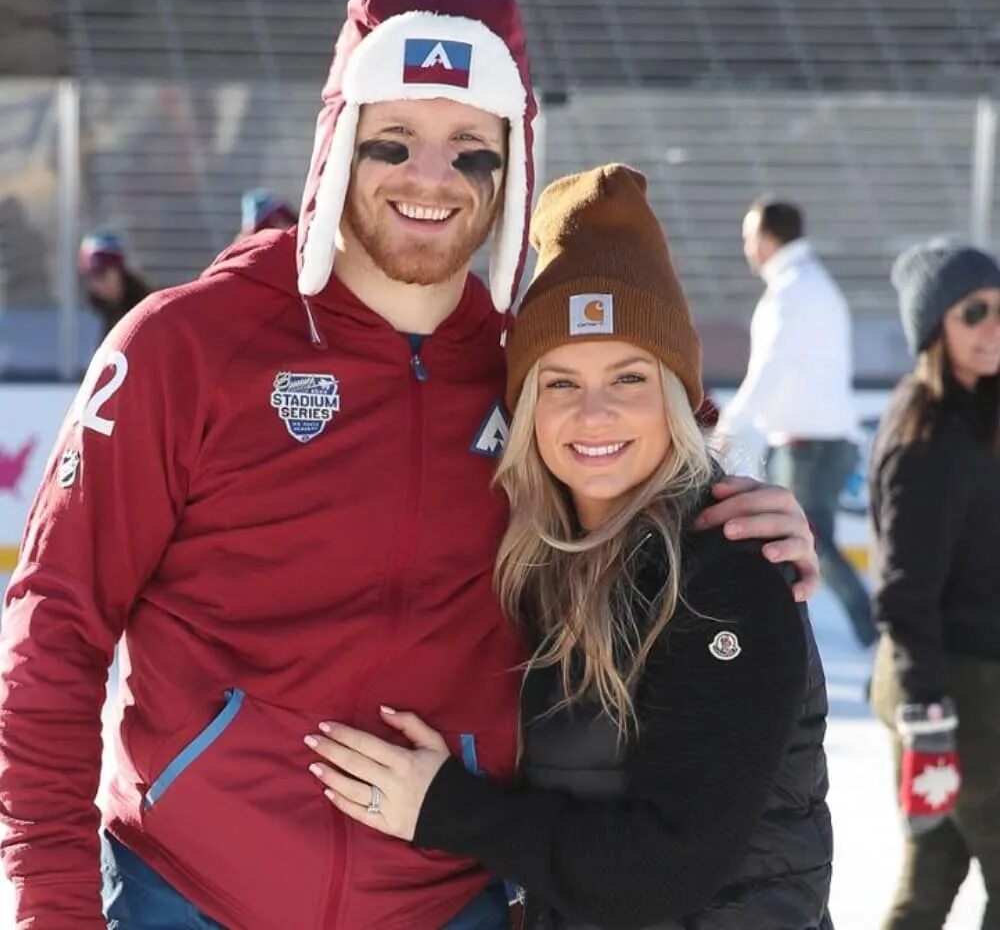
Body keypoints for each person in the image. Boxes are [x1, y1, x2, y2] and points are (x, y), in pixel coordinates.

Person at [0, 0, 819, 930]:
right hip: (187, 895)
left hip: (449, 904)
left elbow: (636, 480)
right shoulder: (183, 347)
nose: (430, 179)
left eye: (471, 150)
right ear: (337, 143)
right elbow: (55, 634)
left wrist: (734, 511)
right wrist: (53, 905)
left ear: (510, 169)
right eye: (393, 141)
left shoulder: (533, 375)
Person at [306, 164, 834, 930]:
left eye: (628, 378)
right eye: (559, 382)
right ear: (524, 409)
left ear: (677, 399)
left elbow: (664, 869)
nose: (594, 414)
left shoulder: (726, 572)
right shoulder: (542, 558)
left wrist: (446, 809)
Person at [869, 239, 1000, 930]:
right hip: (956, 696)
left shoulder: (977, 416)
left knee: (932, 876)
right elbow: (903, 588)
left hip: (957, 688)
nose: (993, 328)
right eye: (973, 312)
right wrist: (931, 717)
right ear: (933, 328)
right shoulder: (929, 436)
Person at [715, 198, 878, 650]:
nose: (746, 247)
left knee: (805, 537)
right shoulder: (811, 284)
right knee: (794, 535)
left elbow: (769, 369)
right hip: (810, 440)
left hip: (810, 444)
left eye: (749, 237)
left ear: (766, 241)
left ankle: (871, 632)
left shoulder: (793, 291)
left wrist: (730, 423)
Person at [78, 228, 153, 343]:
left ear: (119, 269)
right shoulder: (103, 311)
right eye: (90, 277)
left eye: (101, 274)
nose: (96, 285)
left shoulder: (144, 312)